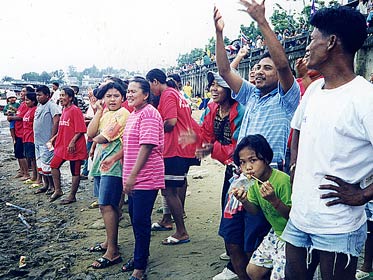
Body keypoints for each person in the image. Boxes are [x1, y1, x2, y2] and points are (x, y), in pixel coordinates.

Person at [281, 6, 373, 280]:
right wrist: (296, 163)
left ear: (332, 42)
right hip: (300, 218)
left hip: (337, 226)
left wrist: (363, 195)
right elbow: (297, 129)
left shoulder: (365, 97)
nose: (308, 47)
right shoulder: (313, 91)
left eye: (313, 38)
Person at [213, 1, 300, 278]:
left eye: (267, 68)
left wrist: (262, 22)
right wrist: (219, 35)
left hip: (271, 178)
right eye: (258, 67)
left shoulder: (288, 97)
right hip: (241, 175)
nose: (259, 71)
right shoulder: (250, 94)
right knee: (231, 236)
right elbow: (225, 72)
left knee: (261, 239)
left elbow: (285, 65)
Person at [117, 77, 164, 280]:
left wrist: (132, 176)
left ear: (146, 94)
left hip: (146, 177)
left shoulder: (149, 114)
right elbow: (129, 147)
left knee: (140, 220)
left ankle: (140, 266)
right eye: (128, 91)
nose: (129, 95)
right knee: (136, 219)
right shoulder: (135, 114)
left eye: (133, 91)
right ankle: (139, 257)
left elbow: (147, 146)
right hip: (134, 177)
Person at [146, 68, 199, 245]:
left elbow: (171, 122)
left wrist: (152, 128)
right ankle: (168, 221)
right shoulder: (176, 93)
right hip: (183, 146)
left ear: (154, 81)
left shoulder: (167, 95)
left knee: (169, 190)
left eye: (149, 85)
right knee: (177, 185)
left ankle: (181, 231)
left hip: (174, 148)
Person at [232, 134, 291, 280]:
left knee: (279, 276)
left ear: (266, 159)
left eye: (253, 160)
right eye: (242, 162)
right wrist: (244, 200)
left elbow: (292, 216)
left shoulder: (282, 180)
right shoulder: (252, 182)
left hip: (290, 236)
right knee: (253, 271)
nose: (248, 167)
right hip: (276, 233)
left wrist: (274, 201)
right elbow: (254, 210)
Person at [87, 81, 129, 269]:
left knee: (108, 205)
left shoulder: (123, 114)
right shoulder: (105, 113)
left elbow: (97, 136)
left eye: (116, 95)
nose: (112, 99)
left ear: (123, 97)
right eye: (108, 96)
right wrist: (97, 111)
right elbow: (91, 132)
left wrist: (92, 136)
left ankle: (112, 251)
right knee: (107, 206)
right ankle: (109, 243)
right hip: (102, 164)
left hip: (114, 165)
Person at [49, 87, 87, 204]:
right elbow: (63, 127)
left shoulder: (75, 110)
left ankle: (72, 195)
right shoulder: (64, 109)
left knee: (75, 171)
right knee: (54, 165)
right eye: (60, 95)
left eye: (63, 95)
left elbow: (81, 129)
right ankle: (58, 190)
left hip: (74, 146)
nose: (61, 98)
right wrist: (54, 138)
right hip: (62, 145)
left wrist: (72, 142)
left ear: (70, 97)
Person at [33, 85, 61, 195]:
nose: (38, 97)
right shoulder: (39, 106)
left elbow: (56, 121)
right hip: (38, 141)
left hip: (47, 142)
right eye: (37, 95)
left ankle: (53, 186)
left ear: (47, 95)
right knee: (40, 164)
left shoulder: (52, 106)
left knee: (48, 165)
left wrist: (52, 138)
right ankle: (46, 185)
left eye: (40, 95)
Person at [7, 86, 33, 180]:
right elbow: (19, 114)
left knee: (21, 154)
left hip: (23, 133)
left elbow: (22, 117)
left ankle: (26, 173)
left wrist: (12, 118)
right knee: (18, 153)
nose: (21, 93)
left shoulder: (27, 105)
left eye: (23, 91)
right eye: (21, 91)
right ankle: (22, 171)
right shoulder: (21, 104)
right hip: (18, 132)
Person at [22, 92, 39, 184]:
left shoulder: (35, 110)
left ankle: (38, 178)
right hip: (26, 136)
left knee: (34, 158)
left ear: (33, 101)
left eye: (27, 100)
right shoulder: (29, 110)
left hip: (32, 137)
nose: (26, 102)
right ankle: (34, 176)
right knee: (31, 158)